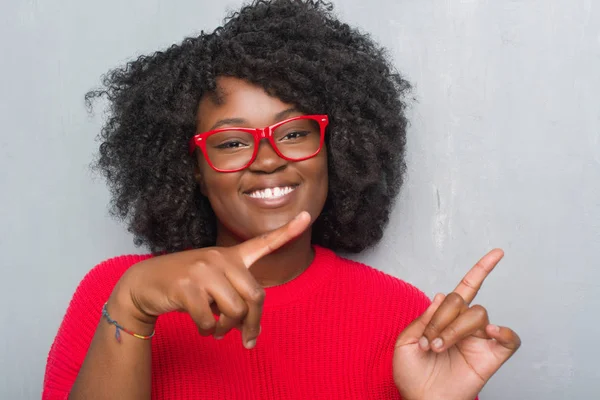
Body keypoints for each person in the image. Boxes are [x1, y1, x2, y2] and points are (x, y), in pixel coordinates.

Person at [43, 1, 520, 399]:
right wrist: (130, 307)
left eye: (293, 133)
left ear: (335, 147)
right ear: (192, 166)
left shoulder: (401, 316)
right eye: (231, 142)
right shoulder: (118, 295)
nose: (268, 160)